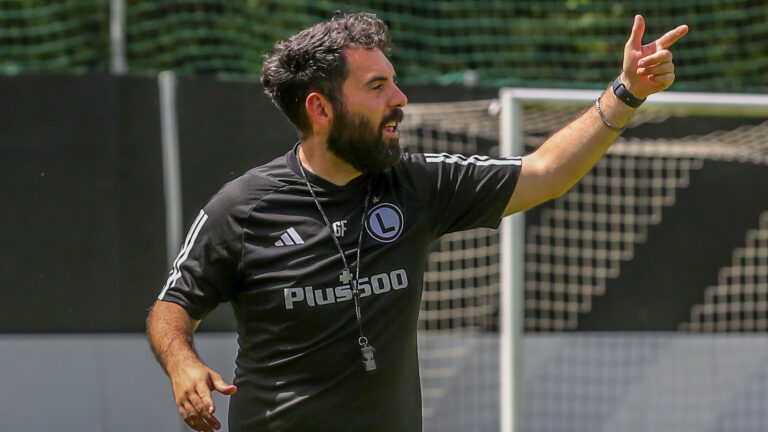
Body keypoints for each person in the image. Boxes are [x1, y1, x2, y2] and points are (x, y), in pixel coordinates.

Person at [146, 12, 688, 432]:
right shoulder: (242, 207)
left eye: (394, 83)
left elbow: (544, 172)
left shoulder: (416, 184)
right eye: (377, 87)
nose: (400, 100)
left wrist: (626, 93)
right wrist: (181, 363)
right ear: (321, 108)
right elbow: (171, 308)